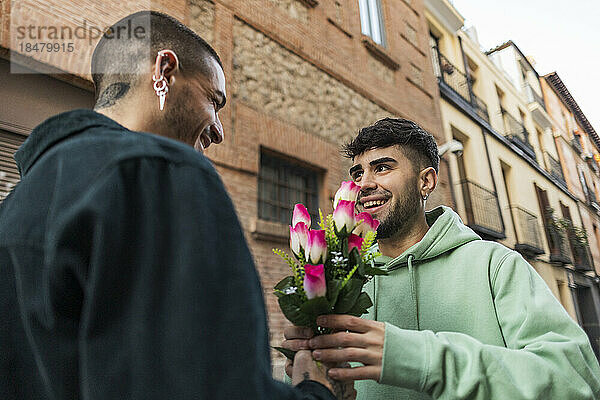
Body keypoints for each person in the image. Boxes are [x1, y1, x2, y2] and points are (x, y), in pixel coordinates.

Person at [0, 11, 342, 399]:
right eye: (214, 100)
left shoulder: (17, 203)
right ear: (164, 69)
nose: (218, 130)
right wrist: (317, 392)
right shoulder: (162, 173)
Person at [282, 118, 600, 399]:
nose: (363, 184)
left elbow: (575, 380)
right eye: (358, 172)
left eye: (382, 167)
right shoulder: (344, 277)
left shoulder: (496, 265)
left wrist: (426, 360)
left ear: (426, 181)